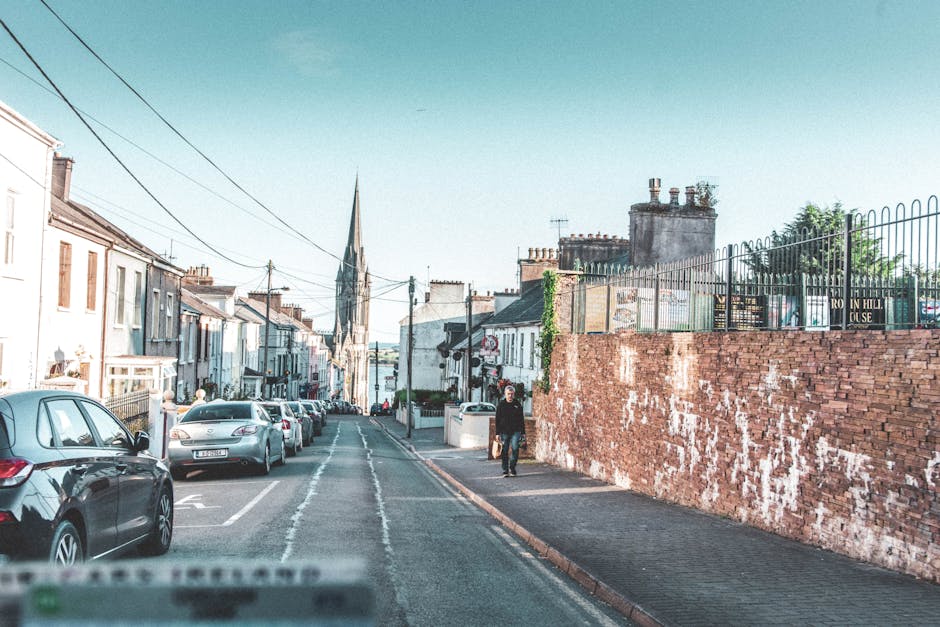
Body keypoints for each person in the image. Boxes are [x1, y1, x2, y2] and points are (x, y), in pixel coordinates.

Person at [494, 385, 525, 477]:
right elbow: (497, 420)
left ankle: (512, 468)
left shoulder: (517, 404)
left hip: (516, 431)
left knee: (515, 449)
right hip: (504, 432)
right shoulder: (501, 405)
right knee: (505, 450)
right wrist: (497, 433)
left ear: (514, 394)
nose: (510, 396)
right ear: (505, 394)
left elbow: (521, 419)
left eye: (511, 394)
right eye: (508, 394)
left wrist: (523, 433)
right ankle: (505, 470)